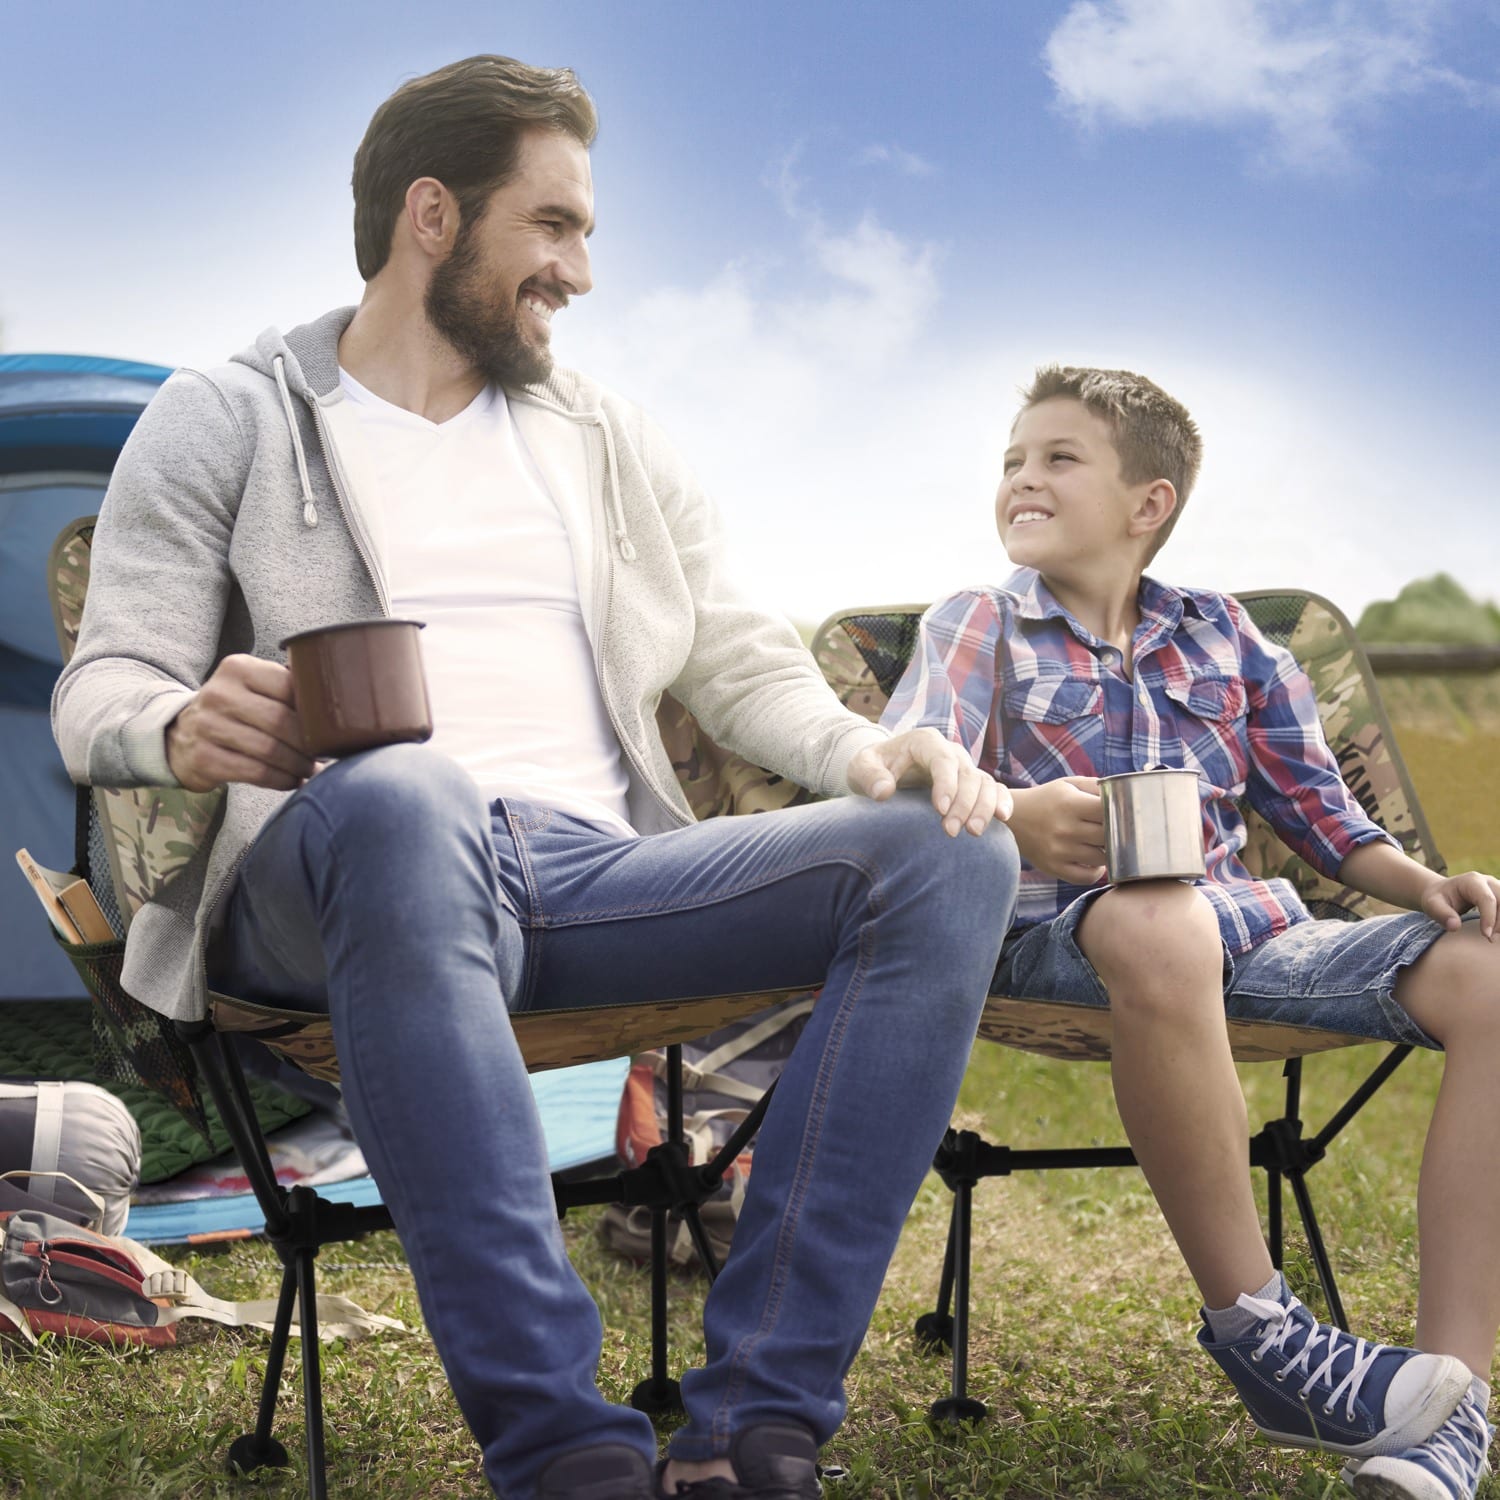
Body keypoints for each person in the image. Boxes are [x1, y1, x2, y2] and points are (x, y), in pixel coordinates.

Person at [51, 56, 1023, 1500]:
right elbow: (99, 688)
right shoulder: (230, 414)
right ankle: (567, 1454)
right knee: (408, 791)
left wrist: (867, 750)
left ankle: (756, 1428)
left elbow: (736, 654)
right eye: (554, 227)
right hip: (331, 864)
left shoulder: (604, 435)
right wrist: (183, 726)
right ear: (432, 216)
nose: (578, 270)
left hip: (586, 869)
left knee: (950, 854)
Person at [881, 364, 1499, 1500]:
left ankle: (1449, 1409)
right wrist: (1017, 817)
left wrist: (1423, 883)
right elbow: (906, 771)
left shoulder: (1231, 638)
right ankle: (1264, 1334)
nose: (1023, 477)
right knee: (1158, 919)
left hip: (1250, 936)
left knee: (1493, 973)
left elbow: (1321, 813)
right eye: (1013, 459)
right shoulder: (980, 625)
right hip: (1054, 941)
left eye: (1059, 458)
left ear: (1147, 502)